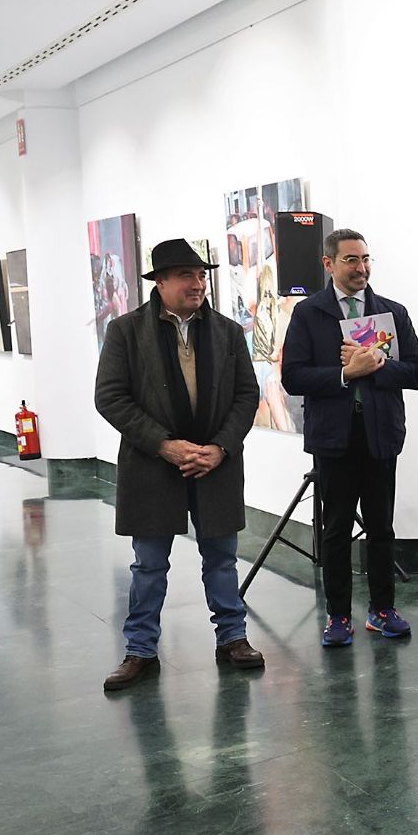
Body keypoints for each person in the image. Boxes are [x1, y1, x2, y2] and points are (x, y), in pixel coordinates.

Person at [95, 239, 264, 690]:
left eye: (202, 275)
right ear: (161, 282)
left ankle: (233, 638)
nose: (198, 284)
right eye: (187, 276)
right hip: (153, 467)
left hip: (215, 466)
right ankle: (140, 650)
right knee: (149, 564)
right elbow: (110, 397)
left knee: (223, 560)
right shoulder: (126, 332)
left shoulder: (227, 331)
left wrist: (221, 448)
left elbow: (248, 395)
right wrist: (164, 445)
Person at [281, 228, 418, 647]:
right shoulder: (309, 314)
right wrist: (346, 374)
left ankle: (382, 610)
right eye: (351, 260)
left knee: (381, 527)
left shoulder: (392, 313)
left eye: (365, 259)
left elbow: (416, 372)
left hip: (380, 435)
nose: (361, 268)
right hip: (333, 438)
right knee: (336, 528)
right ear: (329, 264)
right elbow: (293, 377)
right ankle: (338, 616)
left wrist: (377, 363)